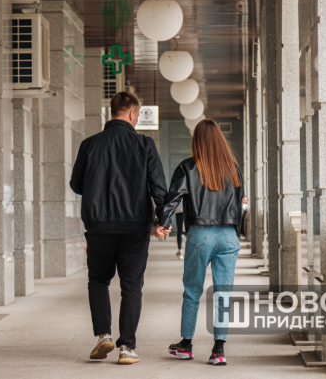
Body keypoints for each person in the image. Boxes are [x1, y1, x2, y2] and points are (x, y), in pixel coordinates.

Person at [70, 91, 170, 365]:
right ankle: (127, 347)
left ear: (111, 112)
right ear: (133, 114)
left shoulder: (89, 144)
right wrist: (163, 221)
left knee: (98, 281)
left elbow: (76, 185)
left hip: (99, 226)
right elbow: (158, 188)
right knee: (132, 287)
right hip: (135, 228)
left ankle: (103, 335)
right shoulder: (145, 144)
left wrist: (98, 186)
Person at [156, 119, 244, 366]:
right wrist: (235, 233)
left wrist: (163, 222)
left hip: (199, 235)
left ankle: (186, 345)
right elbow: (239, 204)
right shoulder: (233, 169)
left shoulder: (187, 167)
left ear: (196, 141)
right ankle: (219, 350)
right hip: (228, 235)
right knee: (223, 293)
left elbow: (173, 199)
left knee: (192, 291)